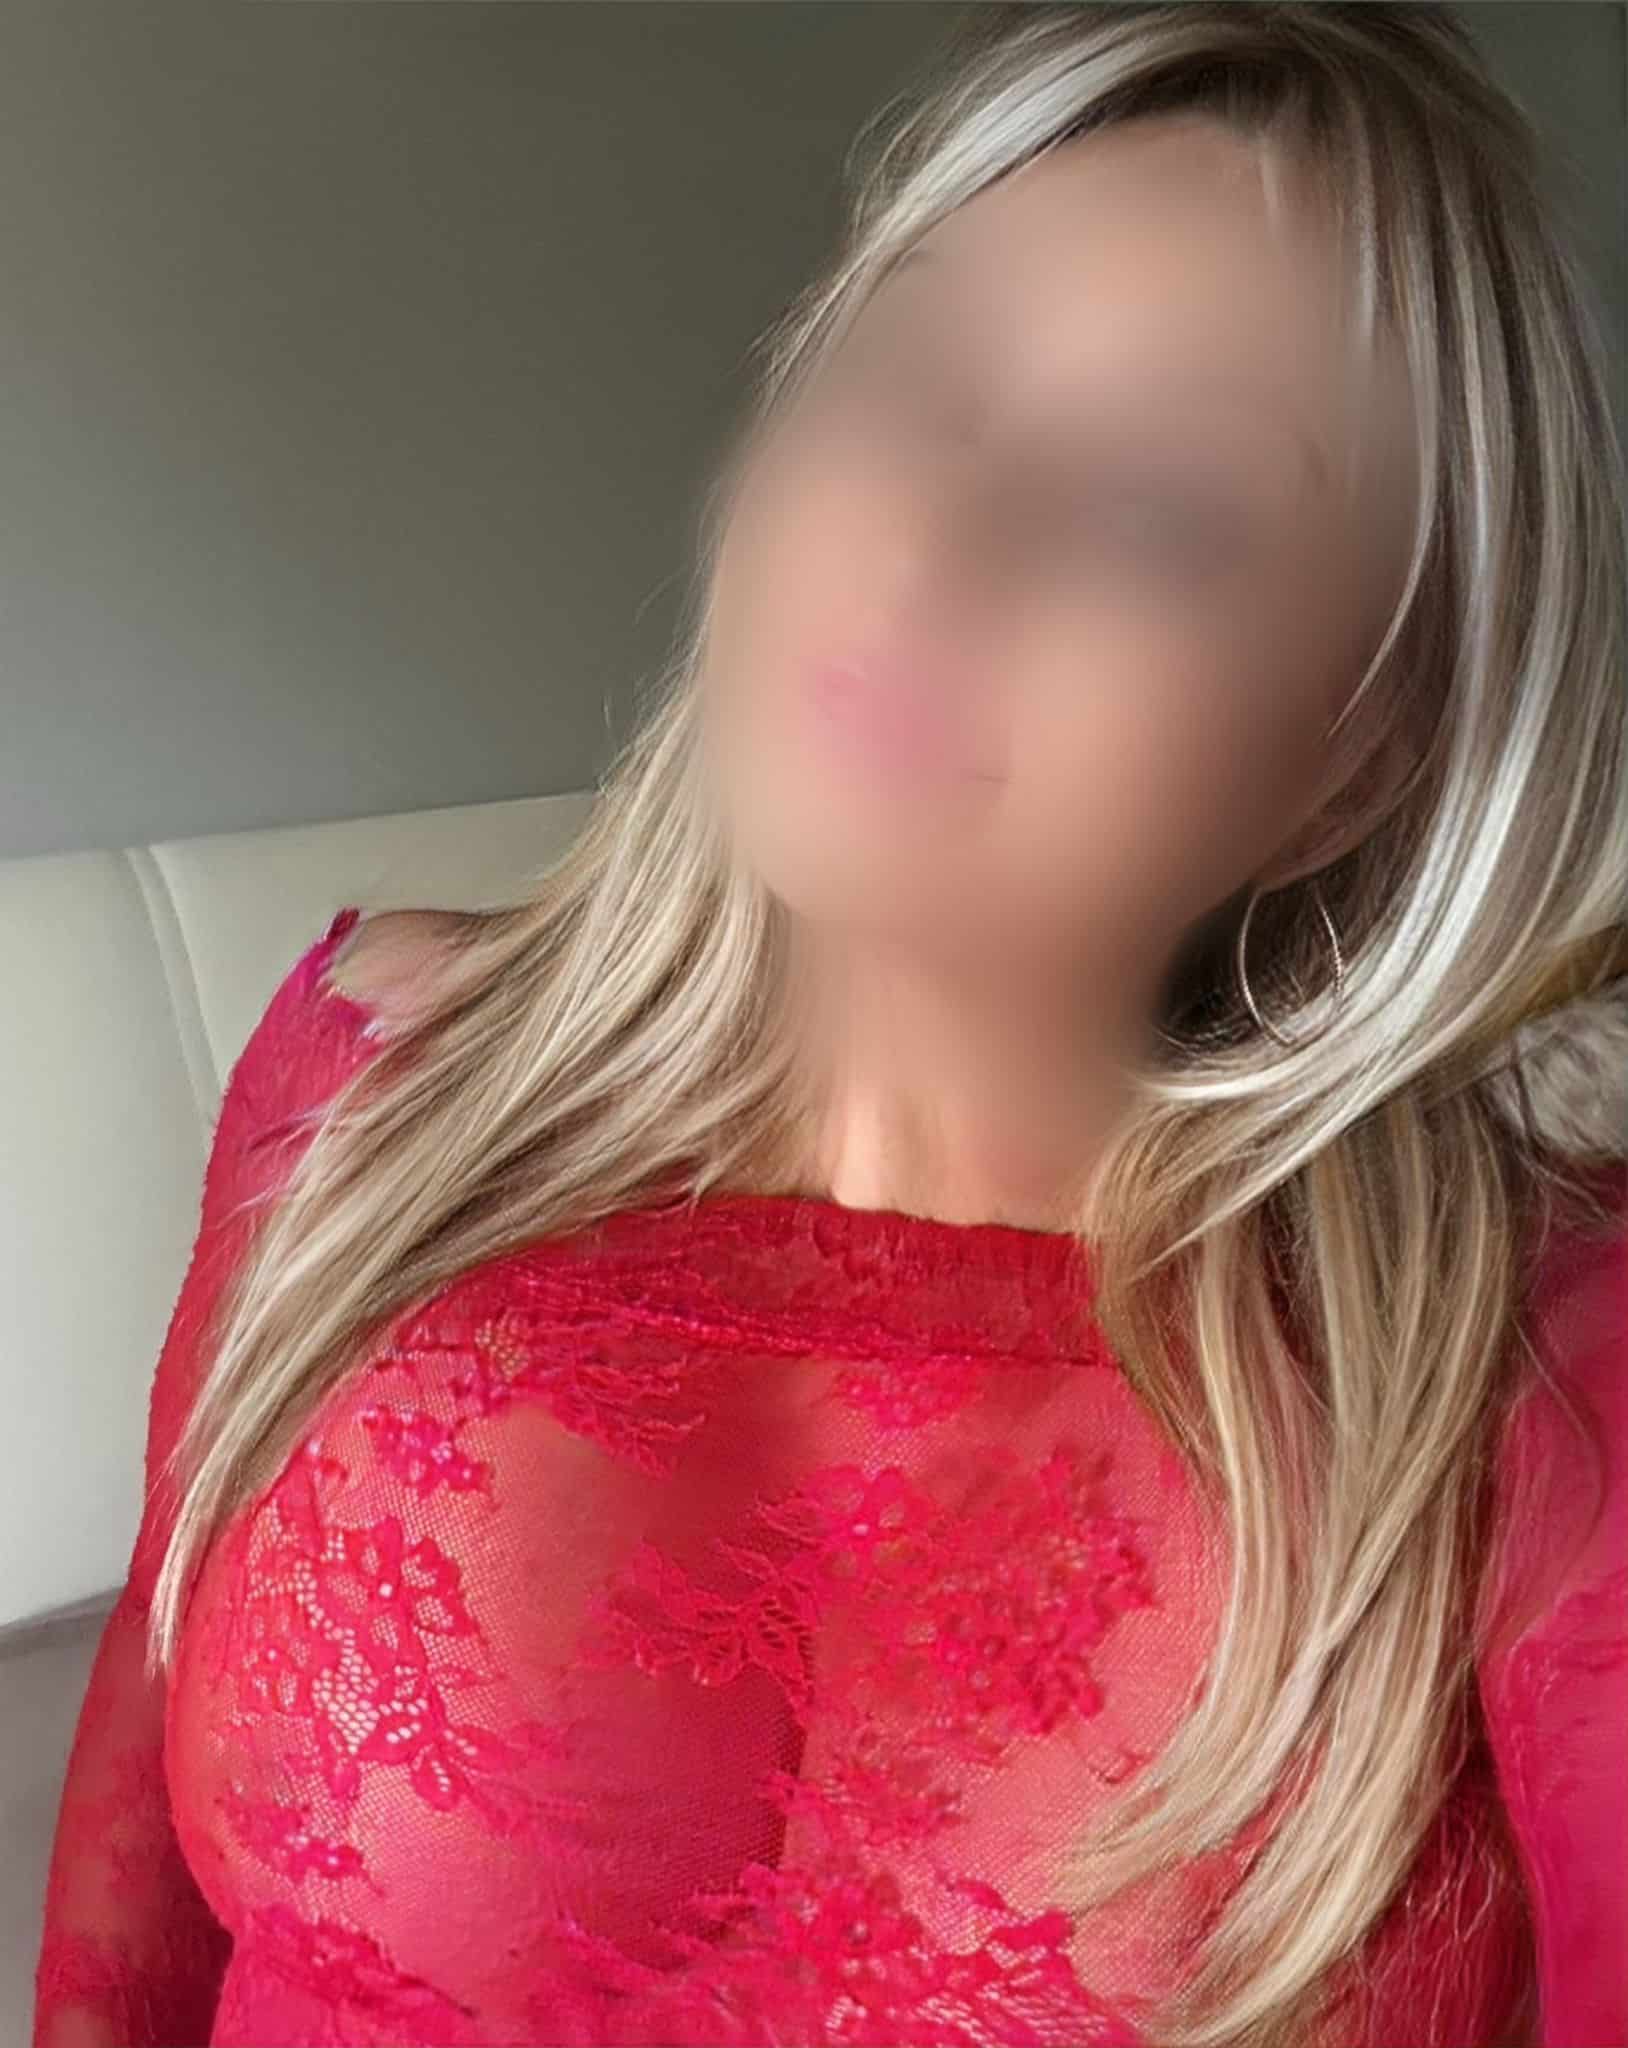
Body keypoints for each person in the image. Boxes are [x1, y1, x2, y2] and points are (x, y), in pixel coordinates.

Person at [31, 6, 1628, 2045]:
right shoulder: (369, 1075)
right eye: (917, 371)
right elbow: (125, 1952)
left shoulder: (1529, 1360)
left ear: (1351, 766)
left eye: (1166, 506)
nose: (937, 539)